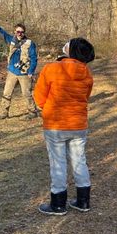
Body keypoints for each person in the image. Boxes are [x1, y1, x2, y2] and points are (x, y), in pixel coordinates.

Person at [34, 38, 95, 215]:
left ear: (72, 50)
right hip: (78, 124)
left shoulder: (51, 68)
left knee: (58, 163)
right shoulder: (86, 73)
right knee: (79, 161)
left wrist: (46, 108)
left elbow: (39, 97)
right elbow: (86, 96)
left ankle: (58, 204)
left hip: (55, 124)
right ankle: (83, 201)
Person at [0, 8, 38, 120]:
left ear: (24, 32)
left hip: (24, 73)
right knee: (6, 93)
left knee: (27, 94)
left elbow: (34, 58)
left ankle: (32, 112)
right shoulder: (10, 39)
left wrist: (31, 71)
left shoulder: (30, 43)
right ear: (15, 32)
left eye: (22, 32)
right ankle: (4, 113)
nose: (20, 34)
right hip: (12, 72)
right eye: (18, 32)